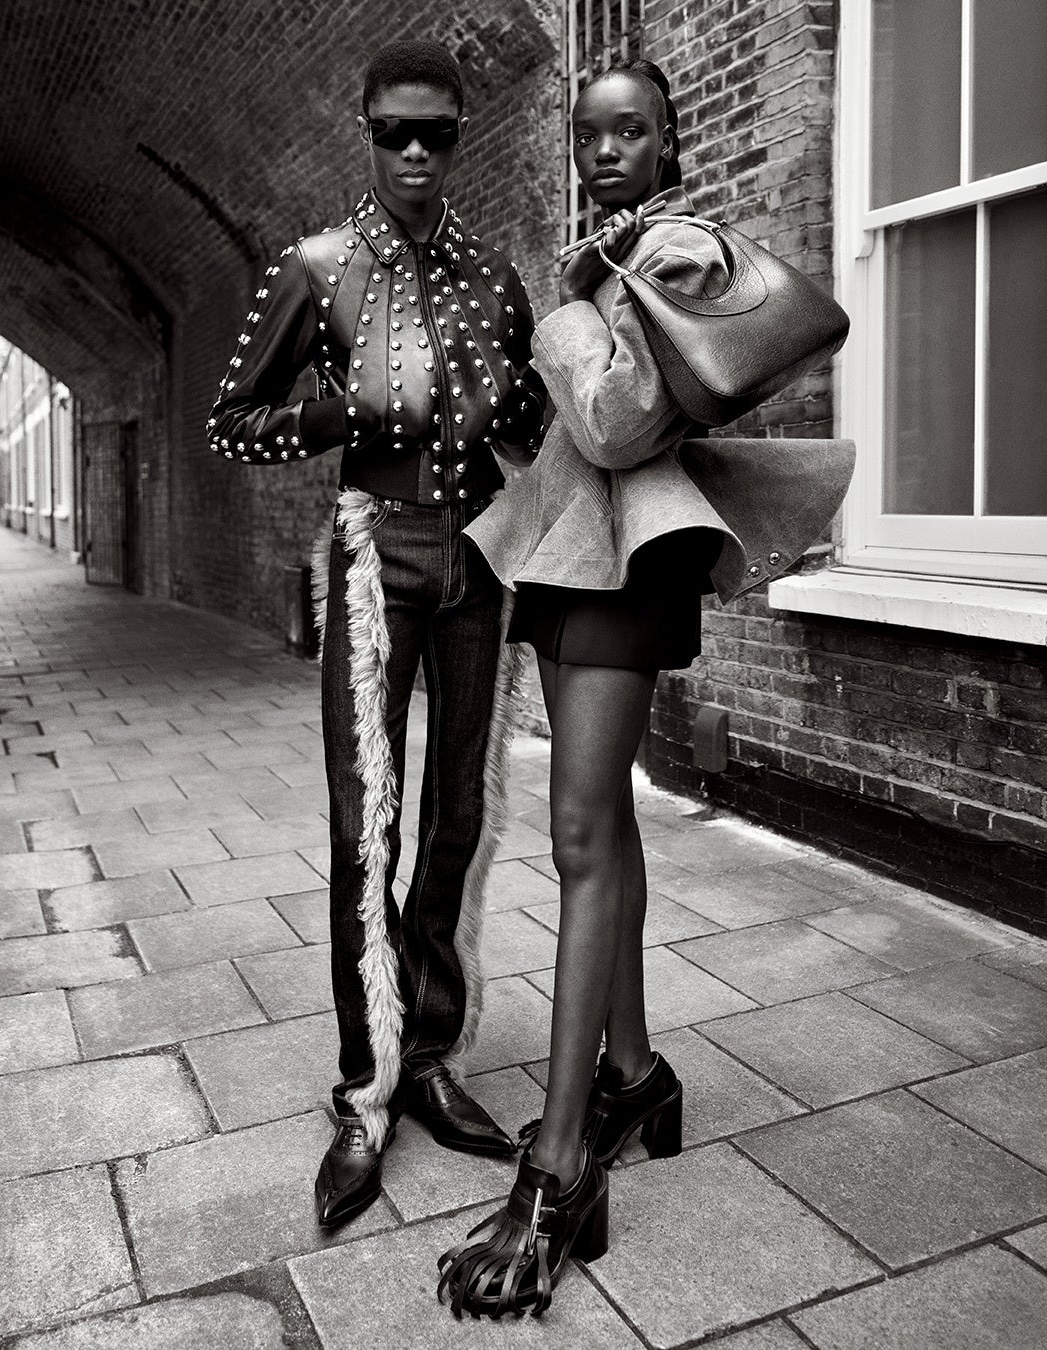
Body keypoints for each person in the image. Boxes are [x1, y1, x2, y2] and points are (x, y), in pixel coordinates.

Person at [437, 58, 854, 1318]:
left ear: (670, 145)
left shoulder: (680, 252)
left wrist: (565, 316)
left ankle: (561, 1164)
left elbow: (622, 424)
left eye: (631, 132)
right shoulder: (609, 257)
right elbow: (577, 432)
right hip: (570, 553)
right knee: (603, 820)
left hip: (630, 563)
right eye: (589, 134)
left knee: (577, 835)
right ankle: (633, 1074)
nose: (605, 150)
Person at [207, 40, 545, 1232]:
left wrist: (521, 400)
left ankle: (432, 1053)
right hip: (374, 556)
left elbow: (535, 428)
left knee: (461, 815)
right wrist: (336, 409)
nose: (414, 152)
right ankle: (366, 1085)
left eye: (436, 133)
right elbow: (232, 423)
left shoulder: (493, 277)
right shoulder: (318, 266)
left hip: (480, 557)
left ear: (457, 136)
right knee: (368, 825)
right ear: (366, 131)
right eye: (394, 131)